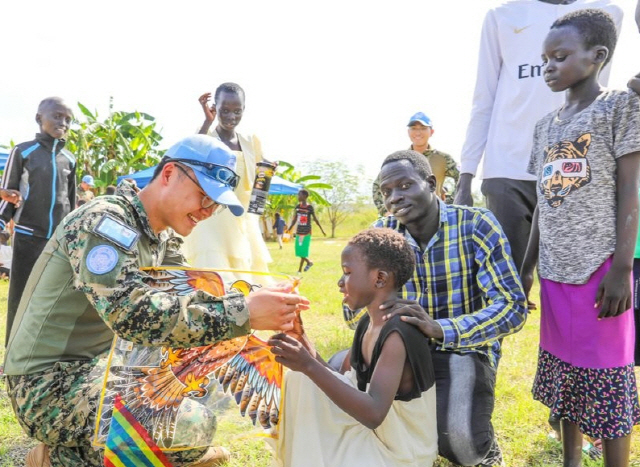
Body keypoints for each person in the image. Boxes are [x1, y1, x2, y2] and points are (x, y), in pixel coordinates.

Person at [2, 135, 310, 467]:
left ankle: (83, 454)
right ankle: (61, 459)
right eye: (204, 196)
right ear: (168, 174)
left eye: (216, 205)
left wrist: (256, 301)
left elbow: (190, 299)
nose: (207, 212)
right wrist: (245, 312)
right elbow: (131, 314)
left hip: (100, 370)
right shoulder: (105, 223)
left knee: (197, 401)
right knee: (190, 423)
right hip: (48, 384)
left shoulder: (160, 238)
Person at [520, 10, 640, 467]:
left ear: (597, 56)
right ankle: (571, 459)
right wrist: (527, 269)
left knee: (608, 381)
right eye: (545, 58)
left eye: (560, 56)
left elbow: (631, 190)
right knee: (565, 377)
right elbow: (541, 206)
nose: (548, 66)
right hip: (554, 273)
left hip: (600, 272)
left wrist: (622, 270)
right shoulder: (545, 127)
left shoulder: (620, 108)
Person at [355, 150, 526, 466]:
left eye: (405, 185)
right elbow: (352, 313)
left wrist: (441, 328)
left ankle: (484, 451)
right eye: (387, 191)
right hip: (404, 351)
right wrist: (371, 298)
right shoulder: (382, 234)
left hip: (466, 351)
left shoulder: (476, 224)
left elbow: (512, 307)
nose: (395, 197)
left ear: (431, 183)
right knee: (359, 416)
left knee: (461, 443)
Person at [454, 0, 623, 272]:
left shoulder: (605, 13)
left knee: (570, 277)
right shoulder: (502, 16)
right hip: (507, 168)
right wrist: (466, 176)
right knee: (507, 278)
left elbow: (598, 94)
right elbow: (483, 97)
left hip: (571, 168)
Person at [269, 228, 438, 467]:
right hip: (376, 436)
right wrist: (303, 342)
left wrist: (307, 364)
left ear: (379, 278)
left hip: (402, 452)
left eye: (347, 273)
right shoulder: (367, 323)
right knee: (300, 380)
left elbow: (373, 414)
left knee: (304, 376)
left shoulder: (399, 333)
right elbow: (340, 379)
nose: (340, 282)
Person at [0, 96, 76, 345]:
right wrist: (2, 224)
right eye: (57, 116)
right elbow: (9, 193)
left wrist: (73, 235)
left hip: (58, 241)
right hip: (28, 236)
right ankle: (12, 351)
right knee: (21, 296)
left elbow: (72, 203)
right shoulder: (23, 151)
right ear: (39, 118)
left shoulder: (70, 160)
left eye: (67, 119)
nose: (62, 122)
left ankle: (42, 352)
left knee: (53, 297)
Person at [181, 82, 271, 272]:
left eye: (237, 111)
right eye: (225, 110)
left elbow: (258, 178)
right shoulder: (206, 136)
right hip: (212, 219)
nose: (231, 117)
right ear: (215, 108)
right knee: (216, 274)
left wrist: (268, 169)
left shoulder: (250, 141)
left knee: (248, 277)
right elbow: (190, 158)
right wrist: (207, 121)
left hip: (242, 217)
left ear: (244, 109)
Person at [372, 111, 458, 216]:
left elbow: (461, 179)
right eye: (414, 128)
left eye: (423, 128)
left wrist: (449, 202)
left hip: (434, 216)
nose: (418, 133)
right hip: (405, 215)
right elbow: (377, 185)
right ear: (408, 132)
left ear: (431, 132)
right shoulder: (400, 159)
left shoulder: (443, 158)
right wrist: (386, 212)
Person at [288, 189, 326, 273]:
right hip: (299, 231)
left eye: (299, 195)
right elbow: (294, 219)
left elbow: (315, 219)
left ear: (304, 196)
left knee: (303, 251)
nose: (298, 197)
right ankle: (309, 262)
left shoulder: (309, 207)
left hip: (307, 232)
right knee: (298, 251)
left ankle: (300, 270)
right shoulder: (298, 206)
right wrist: (289, 228)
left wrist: (322, 230)